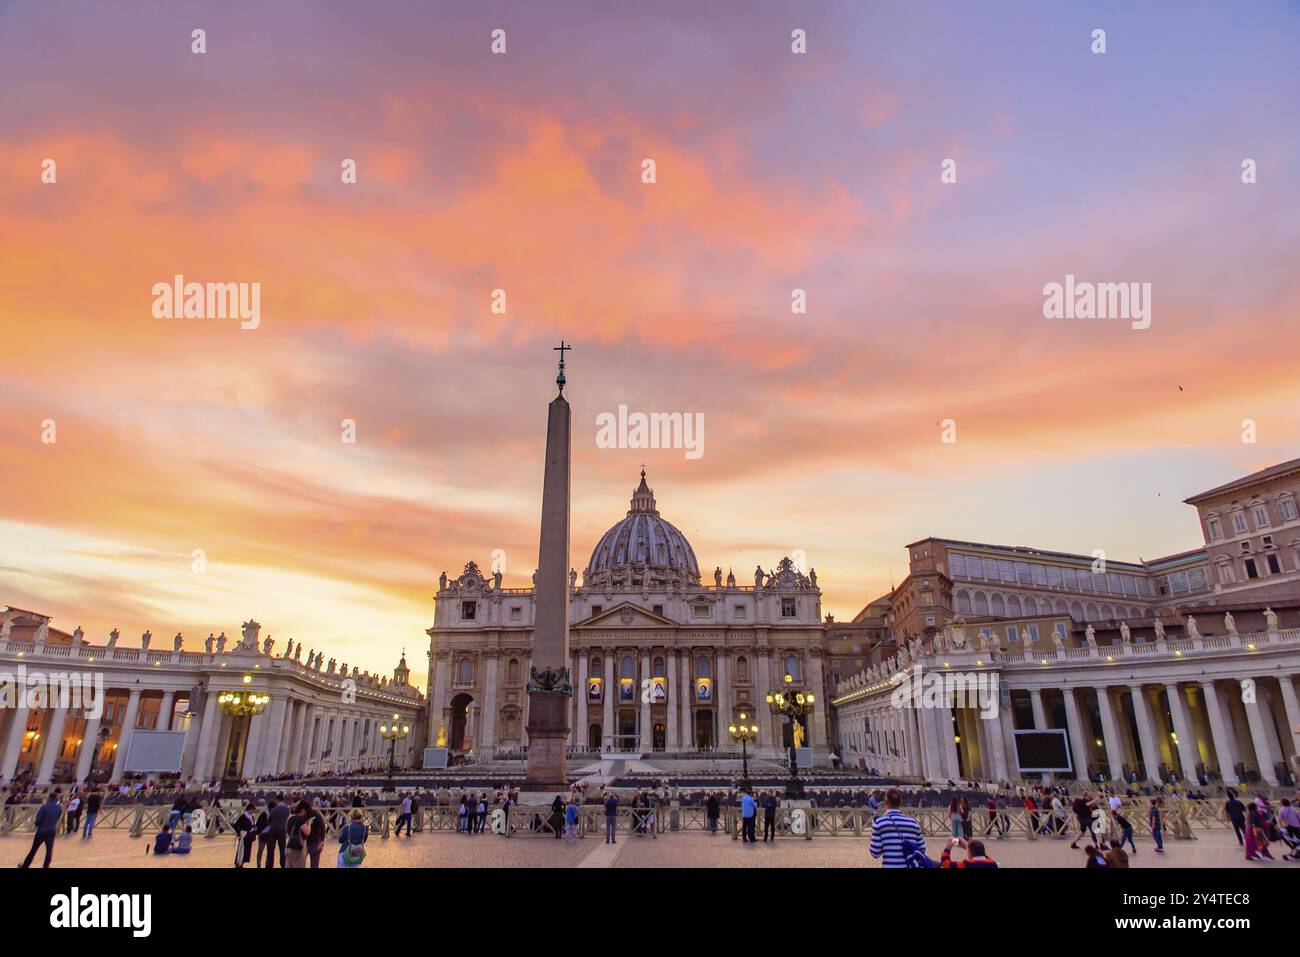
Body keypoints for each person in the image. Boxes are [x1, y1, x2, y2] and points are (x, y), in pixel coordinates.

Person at [869, 788, 925, 869]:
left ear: (886, 803)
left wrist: (872, 839)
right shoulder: (913, 822)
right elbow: (922, 849)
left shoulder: (879, 823)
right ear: (901, 803)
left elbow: (875, 853)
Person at [20, 789, 63, 869]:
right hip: (51, 830)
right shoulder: (58, 808)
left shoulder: (44, 807)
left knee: (34, 849)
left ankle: (25, 865)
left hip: (42, 831)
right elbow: (58, 817)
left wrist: (37, 824)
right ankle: (46, 866)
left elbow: (38, 820)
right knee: (49, 850)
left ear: (49, 798)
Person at [264, 796, 289, 868]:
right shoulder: (287, 809)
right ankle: (283, 865)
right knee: (282, 850)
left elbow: (269, 821)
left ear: (277, 800)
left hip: (273, 830)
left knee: (271, 850)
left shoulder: (274, 809)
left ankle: (270, 865)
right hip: (282, 830)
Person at [285, 802, 310, 867]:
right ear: (303, 810)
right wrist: (309, 824)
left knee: (289, 865)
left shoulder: (290, 818)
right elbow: (307, 832)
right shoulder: (300, 819)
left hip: (289, 844)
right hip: (298, 846)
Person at [233, 801, 257, 868]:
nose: (255, 810)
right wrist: (239, 833)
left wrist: (254, 828)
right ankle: (238, 864)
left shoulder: (251, 817)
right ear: (251, 809)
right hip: (244, 835)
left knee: (246, 850)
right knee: (241, 850)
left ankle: (242, 864)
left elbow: (252, 825)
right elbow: (236, 825)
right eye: (254, 809)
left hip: (249, 835)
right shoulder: (243, 816)